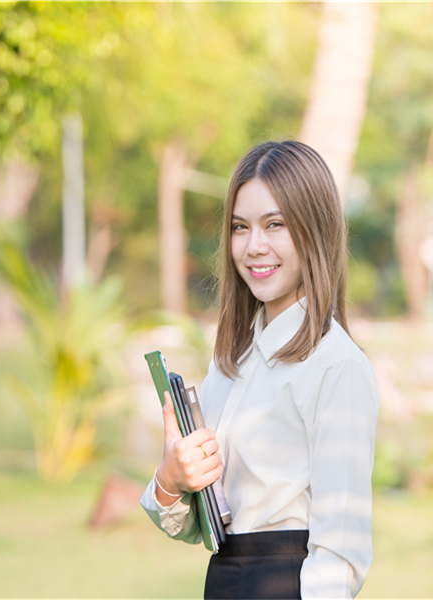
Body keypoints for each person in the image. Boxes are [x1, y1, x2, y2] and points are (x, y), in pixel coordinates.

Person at [140, 140, 379, 599]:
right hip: (226, 581)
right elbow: (207, 522)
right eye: (240, 227)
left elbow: (340, 554)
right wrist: (172, 479)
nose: (254, 247)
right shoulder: (232, 362)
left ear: (315, 230)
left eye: (276, 225)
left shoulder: (337, 365)